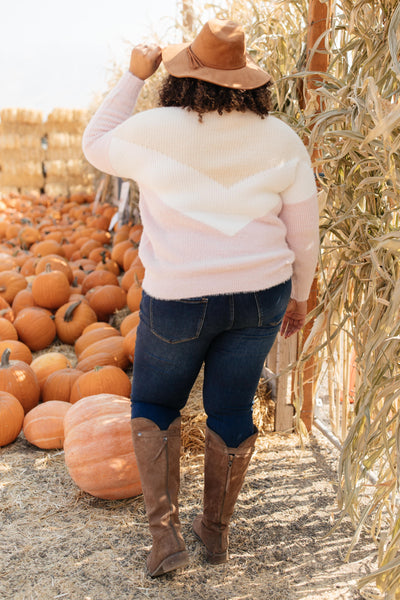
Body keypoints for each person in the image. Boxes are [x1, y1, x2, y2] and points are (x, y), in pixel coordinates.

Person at [82, 18, 319, 578]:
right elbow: (305, 231)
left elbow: (95, 143)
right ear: (247, 83)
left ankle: (165, 541)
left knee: (157, 406)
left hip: (179, 299)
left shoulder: (155, 129)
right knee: (231, 409)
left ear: (182, 77)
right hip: (260, 296)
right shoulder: (280, 137)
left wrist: (131, 77)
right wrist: (301, 298)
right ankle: (214, 535)